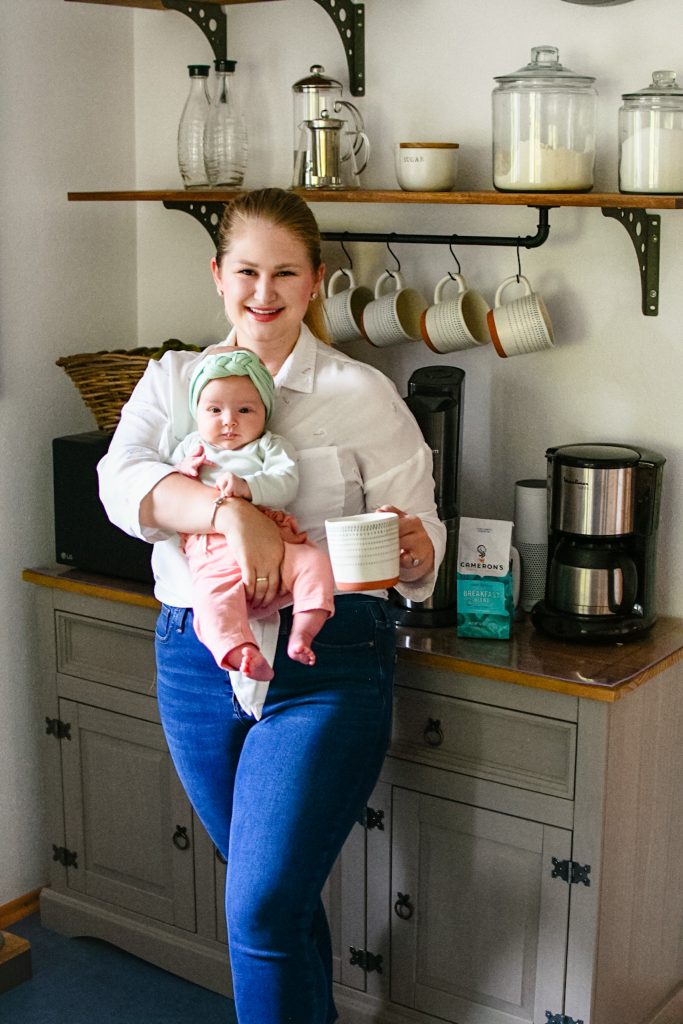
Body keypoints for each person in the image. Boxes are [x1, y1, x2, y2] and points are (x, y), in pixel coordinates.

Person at [98, 187, 446, 1024]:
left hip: (327, 661)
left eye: (284, 272)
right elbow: (121, 485)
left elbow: (423, 528)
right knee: (274, 901)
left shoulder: (361, 392)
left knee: (256, 906)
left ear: (314, 281)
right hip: (194, 658)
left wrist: (415, 547)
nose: (264, 291)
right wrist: (230, 513)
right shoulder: (175, 378)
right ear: (218, 275)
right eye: (247, 270)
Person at [171, 347, 335, 717]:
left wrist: (248, 487)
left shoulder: (270, 447)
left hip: (276, 540)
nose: (229, 421)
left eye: (245, 410)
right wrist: (184, 470)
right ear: (197, 412)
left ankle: (304, 630)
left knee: (313, 561)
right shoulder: (191, 449)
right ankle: (239, 650)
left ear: (264, 413)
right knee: (212, 599)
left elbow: (285, 483)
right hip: (214, 547)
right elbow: (168, 494)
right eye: (214, 410)